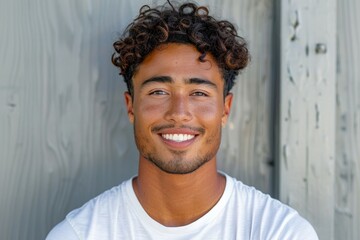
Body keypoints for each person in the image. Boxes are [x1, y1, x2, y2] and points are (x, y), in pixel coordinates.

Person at [46, 1, 318, 239]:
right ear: (131, 107)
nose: (178, 111)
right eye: (159, 92)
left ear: (225, 109)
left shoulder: (279, 232)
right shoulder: (79, 234)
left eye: (199, 92)